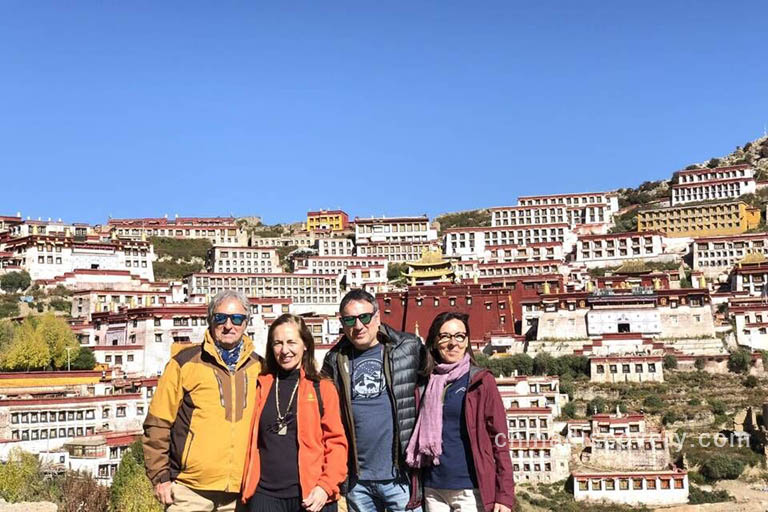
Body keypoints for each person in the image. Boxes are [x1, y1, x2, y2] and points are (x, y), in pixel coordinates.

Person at [143, 290, 262, 511]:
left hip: (241, 492)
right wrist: (161, 477)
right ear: (210, 319)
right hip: (189, 491)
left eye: (237, 318)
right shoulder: (184, 363)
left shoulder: (260, 368)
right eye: (221, 318)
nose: (229, 325)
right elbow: (157, 423)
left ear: (246, 323)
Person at [321, 289, 425, 512]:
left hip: (401, 477)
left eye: (364, 317)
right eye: (349, 319)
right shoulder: (335, 359)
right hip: (358, 481)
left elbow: (436, 383)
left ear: (377, 317)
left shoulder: (407, 348)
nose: (358, 326)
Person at [406, 312, 515, 512]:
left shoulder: (481, 381)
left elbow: (499, 439)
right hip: (432, 487)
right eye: (445, 336)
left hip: (470, 489)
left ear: (466, 342)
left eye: (459, 336)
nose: (452, 343)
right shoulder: (425, 381)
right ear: (435, 342)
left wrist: (505, 495)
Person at [241, 314, 348, 512]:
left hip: (312, 496)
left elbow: (337, 443)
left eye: (292, 342)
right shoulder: (261, 385)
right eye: (278, 343)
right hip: (265, 496)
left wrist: (325, 486)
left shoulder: (322, 388)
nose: (285, 350)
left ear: (305, 344)